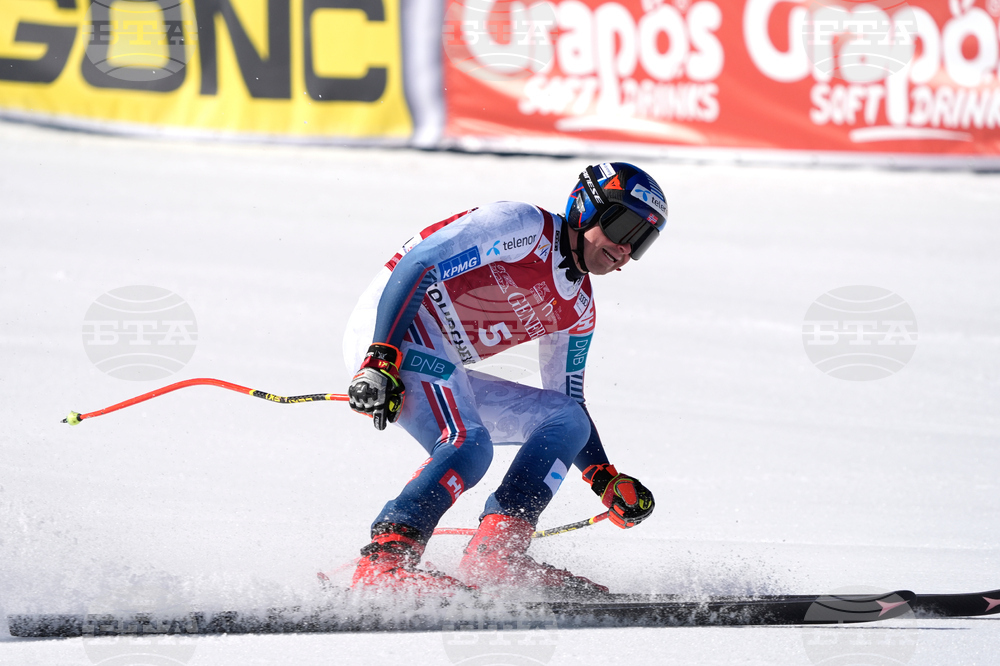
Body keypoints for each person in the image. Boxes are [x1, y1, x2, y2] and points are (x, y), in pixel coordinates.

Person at [342, 162, 665, 596]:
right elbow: (420, 262)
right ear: (586, 206)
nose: (625, 248)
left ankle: (498, 557)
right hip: (393, 327)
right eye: (623, 225)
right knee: (468, 442)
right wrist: (381, 355)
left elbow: (568, 398)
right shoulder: (525, 225)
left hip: (433, 355)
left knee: (566, 418)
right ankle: (385, 561)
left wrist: (603, 476)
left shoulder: (580, 309)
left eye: (640, 241)